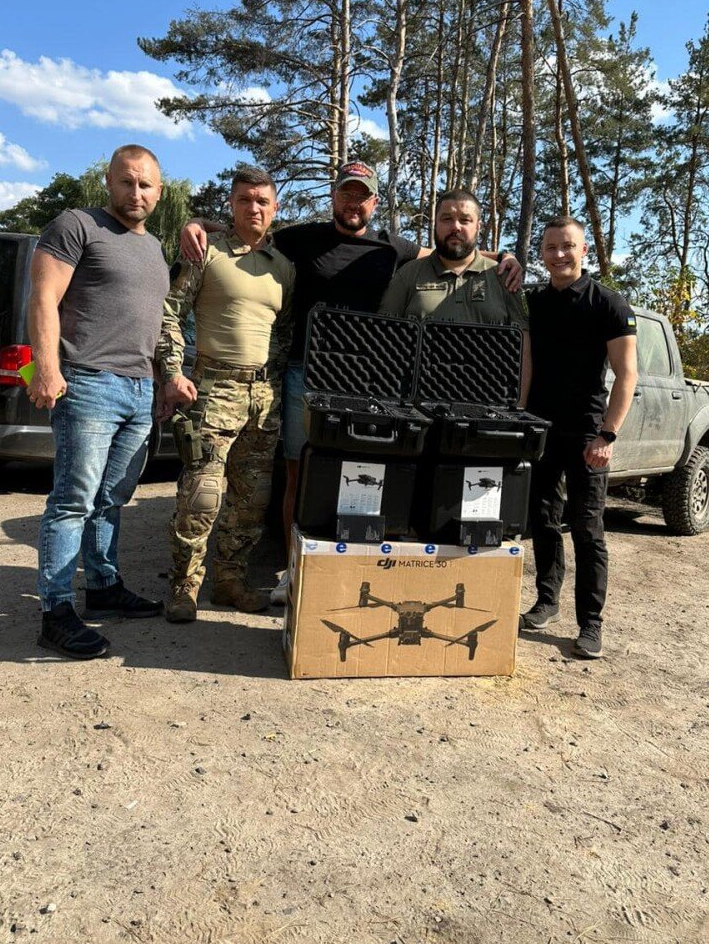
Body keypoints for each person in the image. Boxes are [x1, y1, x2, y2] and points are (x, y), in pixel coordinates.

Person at [180, 162, 524, 604]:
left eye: (362, 195)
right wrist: (197, 222)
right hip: (305, 374)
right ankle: (292, 571)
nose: (353, 203)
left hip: (367, 382)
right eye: (346, 193)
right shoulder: (300, 238)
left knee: (360, 475)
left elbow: (452, 247)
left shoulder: (393, 248)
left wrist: (506, 258)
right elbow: (250, 228)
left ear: (374, 202)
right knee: (299, 472)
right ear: (334, 196)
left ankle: (346, 568)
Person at [28, 145, 170, 660]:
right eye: (126, 182)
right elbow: (43, 298)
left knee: (112, 498)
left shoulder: (155, 247)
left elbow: (153, 323)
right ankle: (56, 612)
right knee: (73, 500)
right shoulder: (77, 225)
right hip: (88, 382)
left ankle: (104, 586)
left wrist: (160, 384)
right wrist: (47, 369)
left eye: (146, 184)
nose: (136, 193)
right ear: (109, 181)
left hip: (139, 389)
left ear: (159, 191)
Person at [157, 167, 295, 623]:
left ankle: (230, 581)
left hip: (263, 399)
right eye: (244, 200)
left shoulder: (283, 268)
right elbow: (169, 313)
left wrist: (271, 384)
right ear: (231, 205)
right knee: (202, 494)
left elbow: (284, 332)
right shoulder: (205, 251)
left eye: (262, 201)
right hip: (213, 390)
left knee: (251, 500)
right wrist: (172, 373)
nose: (254, 208)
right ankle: (184, 586)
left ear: (275, 208)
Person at [521, 216, 638, 659]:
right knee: (543, 520)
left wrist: (608, 434)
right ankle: (546, 601)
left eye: (567, 246)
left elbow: (626, 375)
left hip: (589, 432)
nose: (559, 255)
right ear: (542, 253)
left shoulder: (608, 303)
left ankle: (591, 624)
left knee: (588, 529)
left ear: (583, 250)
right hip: (541, 429)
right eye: (550, 247)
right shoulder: (534, 301)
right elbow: (527, 363)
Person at [379, 187, 530, 405]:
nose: (455, 226)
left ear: (478, 226)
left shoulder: (504, 277)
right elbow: (383, 341)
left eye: (465, 220)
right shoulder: (408, 275)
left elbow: (523, 347)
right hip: (418, 408)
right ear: (435, 224)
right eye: (447, 219)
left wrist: (519, 407)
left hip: (487, 407)